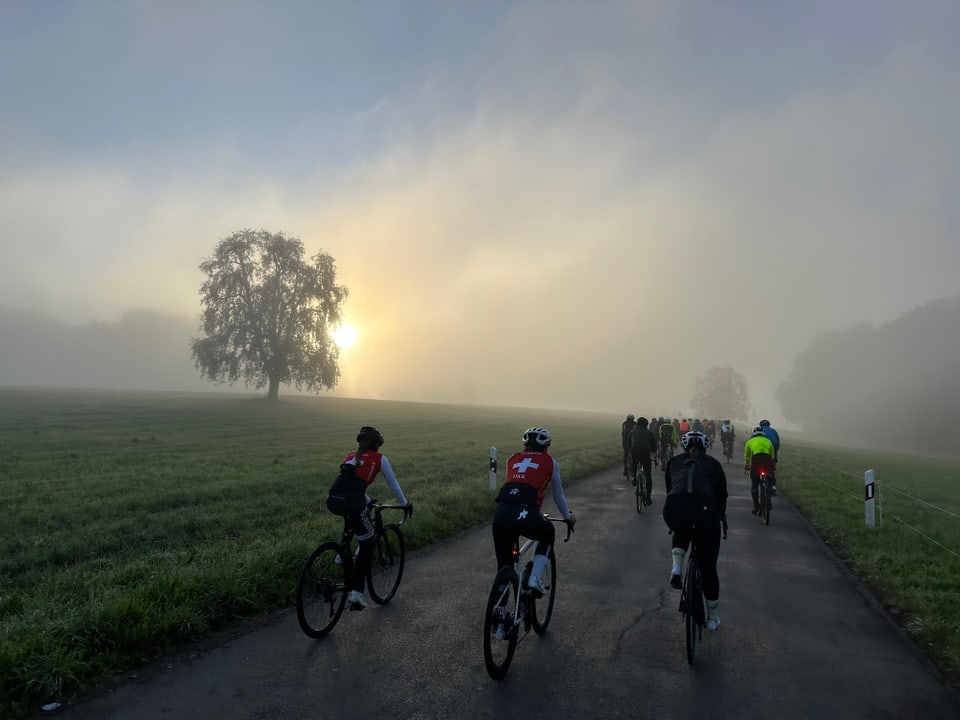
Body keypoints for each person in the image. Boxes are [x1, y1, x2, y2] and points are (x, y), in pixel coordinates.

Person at [326, 426, 413, 609]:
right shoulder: (380, 459)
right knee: (367, 541)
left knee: (357, 521)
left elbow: (349, 485)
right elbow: (393, 484)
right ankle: (357, 592)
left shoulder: (351, 456)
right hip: (352, 501)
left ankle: (342, 556)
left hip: (333, 499)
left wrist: (367, 501)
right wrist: (404, 504)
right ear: (377, 445)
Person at [493, 427, 576, 594]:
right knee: (547, 533)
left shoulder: (512, 459)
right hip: (526, 513)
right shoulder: (550, 462)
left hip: (501, 513)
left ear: (524, 446)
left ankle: (499, 610)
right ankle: (534, 578)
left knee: (504, 566)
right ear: (546, 447)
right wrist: (567, 516)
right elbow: (558, 495)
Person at [663, 431, 728, 631]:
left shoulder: (674, 461)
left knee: (682, 526)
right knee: (708, 568)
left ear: (684, 446)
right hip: (705, 512)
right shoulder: (714, 465)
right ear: (705, 447)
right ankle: (713, 618)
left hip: (674, 507)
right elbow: (721, 497)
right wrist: (722, 520)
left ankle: (676, 567)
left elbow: (670, 487)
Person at [744, 426, 777, 514]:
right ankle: (772, 486)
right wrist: (772, 466)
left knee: (754, 484)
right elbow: (773, 455)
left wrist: (747, 467)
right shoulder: (768, 441)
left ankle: (756, 506)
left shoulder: (750, 441)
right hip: (767, 459)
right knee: (770, 473)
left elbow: (747, 456)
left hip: (756, 460)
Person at [628, 416, 658, 505]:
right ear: (646, 425)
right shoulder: (649, 433)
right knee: (648, 476)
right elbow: (654, 446)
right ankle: (648, 498)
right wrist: (653, 452)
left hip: (635, 452)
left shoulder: (632, 431)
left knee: (634, 463)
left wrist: (630, 450)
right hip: (645, 454)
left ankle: (633, 475)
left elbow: (629, 442)